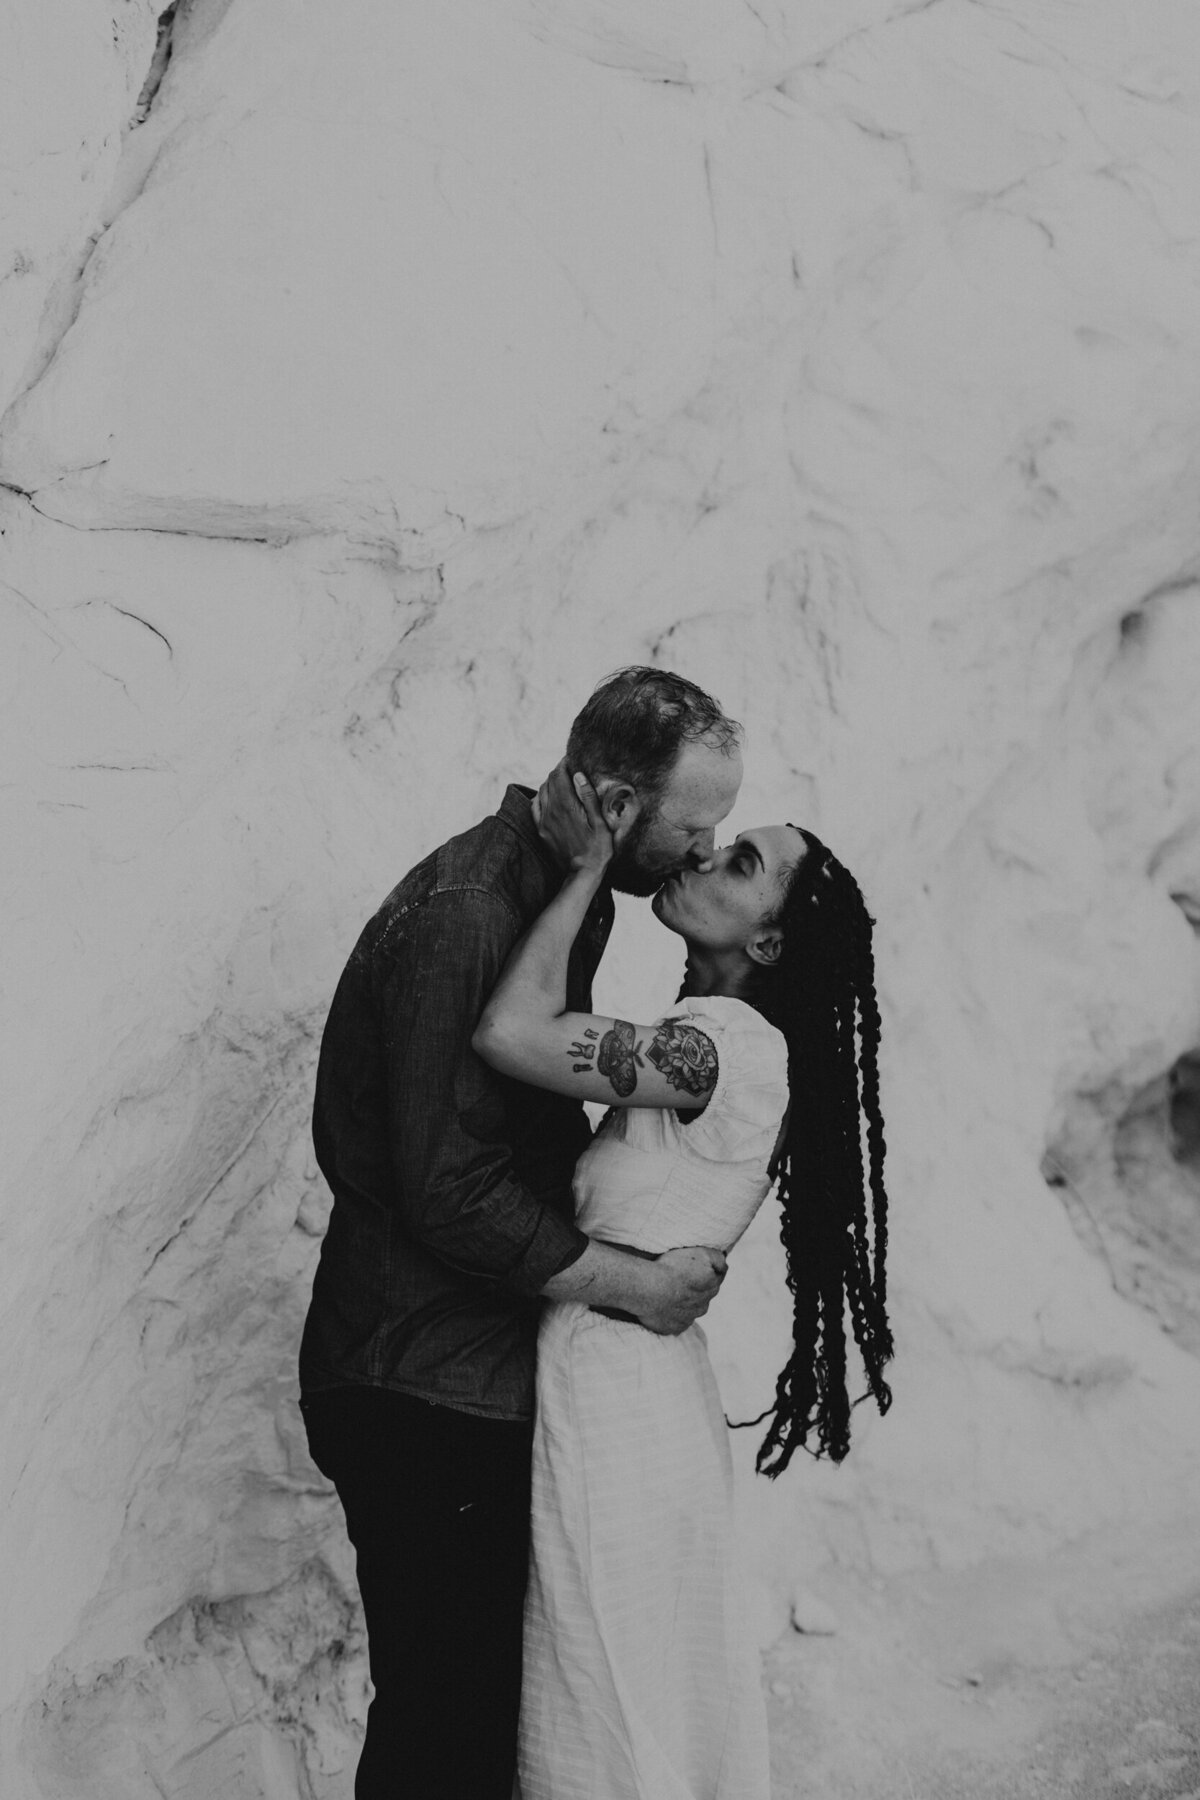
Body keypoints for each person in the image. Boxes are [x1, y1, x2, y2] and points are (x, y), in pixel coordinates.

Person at [297, 667, 744, 1800]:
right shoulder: (473, 912)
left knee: (483, 1725)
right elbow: (448, 1186)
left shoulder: (556, 897)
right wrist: (630, 1286)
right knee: (444, 1735)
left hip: (465, 1371)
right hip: (419, 1376)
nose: (700, 852)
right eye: (693, 827)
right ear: (608, 800)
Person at [473, 763, 894, 1800]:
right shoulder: (713, 1042)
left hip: (619, 1408)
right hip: (635, 1392)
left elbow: (507, 1035)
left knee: (602, 1704)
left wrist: (584, 870)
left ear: (768, 942)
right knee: (633, 1698)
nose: (707, 853)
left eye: (742, 861)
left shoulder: (718, 1051)